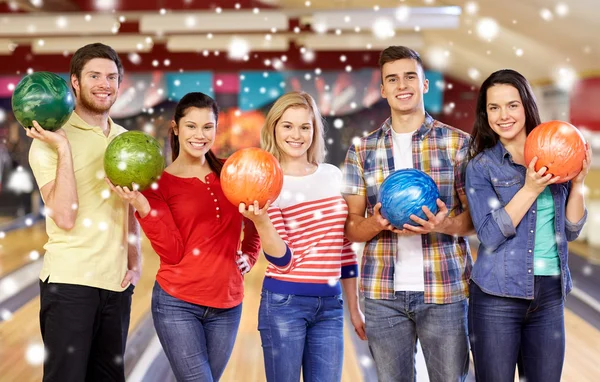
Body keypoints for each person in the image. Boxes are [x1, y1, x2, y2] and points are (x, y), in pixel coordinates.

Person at [106, 92, 261, 382]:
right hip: (177, 303)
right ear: (176, 128)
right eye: (191, 126)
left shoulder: (232, 172)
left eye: (207, 126)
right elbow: (172, 252)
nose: (200, 135)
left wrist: (249, 255)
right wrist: (141, 205)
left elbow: (254, 219)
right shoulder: (158, 185)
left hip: (228, 303)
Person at [341, 45, 474, 381]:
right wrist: (376, 223)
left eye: (410, 76)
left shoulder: (458, 144)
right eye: (392, 79)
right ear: (383, 90)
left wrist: (444, 224)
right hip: (383, 295)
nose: (402, 85)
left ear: (425, 84)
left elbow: (474, 221)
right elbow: (351, 228)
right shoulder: (362, 150)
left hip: (445, 289)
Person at [465, 69, 589, 382]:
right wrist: (531, 188)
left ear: (526, 107)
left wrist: (578, 183)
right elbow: (490, 235)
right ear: (485, 113)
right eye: (494, 107)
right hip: (496, 297)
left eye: (512, 105)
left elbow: (572, 230)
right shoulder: (482, 167)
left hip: (549, 295)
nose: (503, 115)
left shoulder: (555, 154)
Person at [27, 43, 139, 382]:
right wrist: (63, 148)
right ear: (74, 82)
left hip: (116, 284)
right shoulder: (48, 138)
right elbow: (64, 216)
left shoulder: (124, 139)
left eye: (112, 77)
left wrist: (135, 260)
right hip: (70, 282)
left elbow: (129, 205)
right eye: (94, 76)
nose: (105, 84)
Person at [239, 91, 365, 382]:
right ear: (273, 128)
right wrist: (260, 221)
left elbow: (344, 251)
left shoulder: (333, 175)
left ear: (315, 131)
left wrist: (354, 309)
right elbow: (282, 259)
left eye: (304, 127)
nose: (296, 135)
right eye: (288, 126)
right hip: (285, 303)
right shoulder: (267, 181)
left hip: (331, 307)